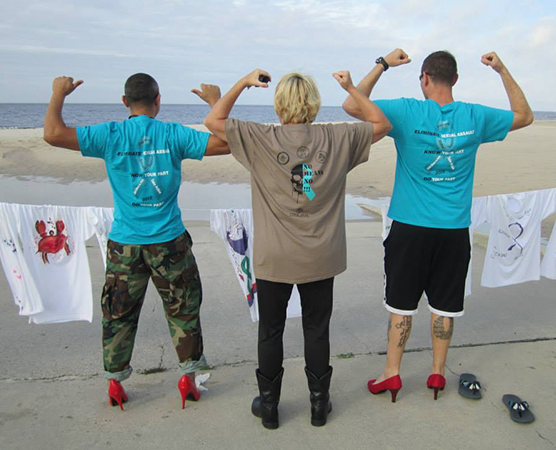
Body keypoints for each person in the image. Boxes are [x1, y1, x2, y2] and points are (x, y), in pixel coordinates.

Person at [200, 69, 391, 428]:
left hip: (275, 257)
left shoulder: (260, 137)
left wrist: (242, 83)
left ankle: (269, 408)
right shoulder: (338, 137)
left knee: (270, 330)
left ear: (278, 106)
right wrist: (351, 88)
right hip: (321, 255)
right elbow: (380, 123)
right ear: (315, 105)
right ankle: (318, 406)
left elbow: (214, 121)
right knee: (316, 329)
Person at [343, 49, 533, 401]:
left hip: (410, 226)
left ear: (425, 78)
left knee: (401, 305)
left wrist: (383, 65)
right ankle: (436, 374)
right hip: (453, 229)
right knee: (444, 305)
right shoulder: (475, 116)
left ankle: (392, 374)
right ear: (455, 79)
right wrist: (502, 70)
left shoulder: (406, 111)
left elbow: (353, 106)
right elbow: (524, 116)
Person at [43, 74, 229, 410]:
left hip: (124, 244)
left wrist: (59, 94)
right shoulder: (173, 134)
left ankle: (115, 383)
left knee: (118, 314)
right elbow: (225, 142)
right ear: (158, 100)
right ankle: (188, 377)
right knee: (183, 309)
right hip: (169, 243)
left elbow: (53, 134)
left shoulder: (110, 134)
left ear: (124, 102)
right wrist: (215, 103)